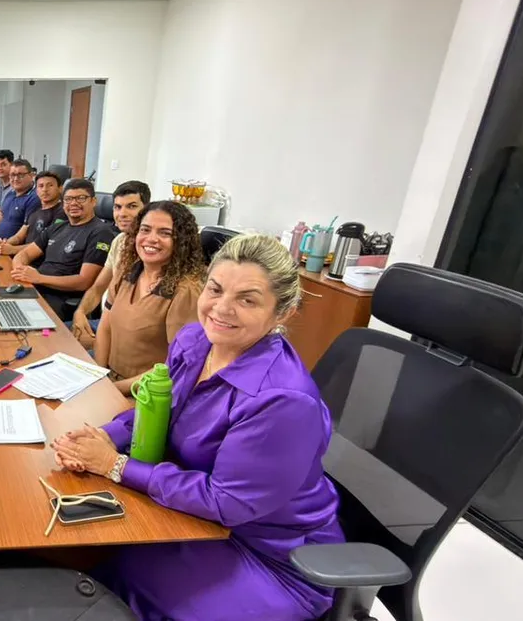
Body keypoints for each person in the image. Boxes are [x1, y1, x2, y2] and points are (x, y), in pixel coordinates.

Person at [51, 233, 344, 621]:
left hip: (270, 555)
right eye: (216, 289)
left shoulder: (282, 400)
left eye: (247, 299)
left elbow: (228, 502)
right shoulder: (195, 341)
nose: (222, 309)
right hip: (192, 519)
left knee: (112, 588)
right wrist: (107, 435)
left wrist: (114, 465)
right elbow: (157, 412)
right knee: (81, 560)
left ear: (282, 313)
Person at [94, 201, 204, 386]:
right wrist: (98, 375)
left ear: (181, 241)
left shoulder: (185, 292)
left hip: (143, 392)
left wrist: (115, 389)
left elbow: (175, 365)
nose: (152, 239)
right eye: (145, 230)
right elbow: (105, 326)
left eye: (165, 233)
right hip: (108, 378)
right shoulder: (126, 271)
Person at [11, 178, 116, 319]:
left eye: (81, 198)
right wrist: (21, 271)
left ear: (93, 201)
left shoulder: (101, 232)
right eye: (68, 199)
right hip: (34, 288)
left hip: (60, 300)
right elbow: (25, 254)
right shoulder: (58, 226)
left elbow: (84, 282)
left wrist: (39, 278)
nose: (73, 203)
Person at [71, 181, 151, 349]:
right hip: (104, 323)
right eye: (117, 207)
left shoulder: (151, 250)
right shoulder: (119, 241)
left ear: (147, 209)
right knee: (52, 337)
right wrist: (80, 312)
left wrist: (99, 342)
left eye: (131, 206)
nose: (122, 213)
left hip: (127, 338)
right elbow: (98, 287)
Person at [0, 169, 65, 256]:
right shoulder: (35, 210)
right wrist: (4, 244)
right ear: (36, 190)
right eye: (41, 186)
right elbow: (19, 237)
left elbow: (46, 244)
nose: (45, 189)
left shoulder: (62, 213)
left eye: (50, 185)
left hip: (39, 262)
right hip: (23, 257)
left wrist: (13, 249)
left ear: (60, 188)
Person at [0, 159, 41, 240]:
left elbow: (24, 233)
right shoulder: (10, 194)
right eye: (12, 175)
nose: (16, 179)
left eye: (20, 175)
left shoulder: (34, 198)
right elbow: (0, 218)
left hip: (12, 248)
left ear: (31, 176)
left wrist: (3, 245)